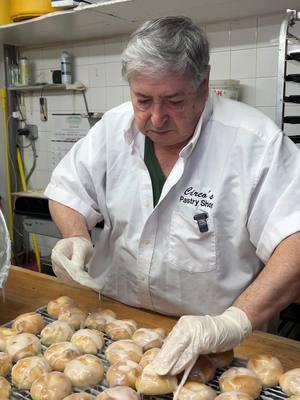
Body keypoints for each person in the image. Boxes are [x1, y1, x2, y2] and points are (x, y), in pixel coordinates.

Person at [45, 16, 300, 377]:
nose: (156, 118)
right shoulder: (112, 128)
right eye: (143, 99)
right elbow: (68, 189)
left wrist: (235, 321)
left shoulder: (256, 143)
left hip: (216, 343)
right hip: (115, 325)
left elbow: (295, 238)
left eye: (174, 100)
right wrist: (75, 235)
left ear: (204, 84)